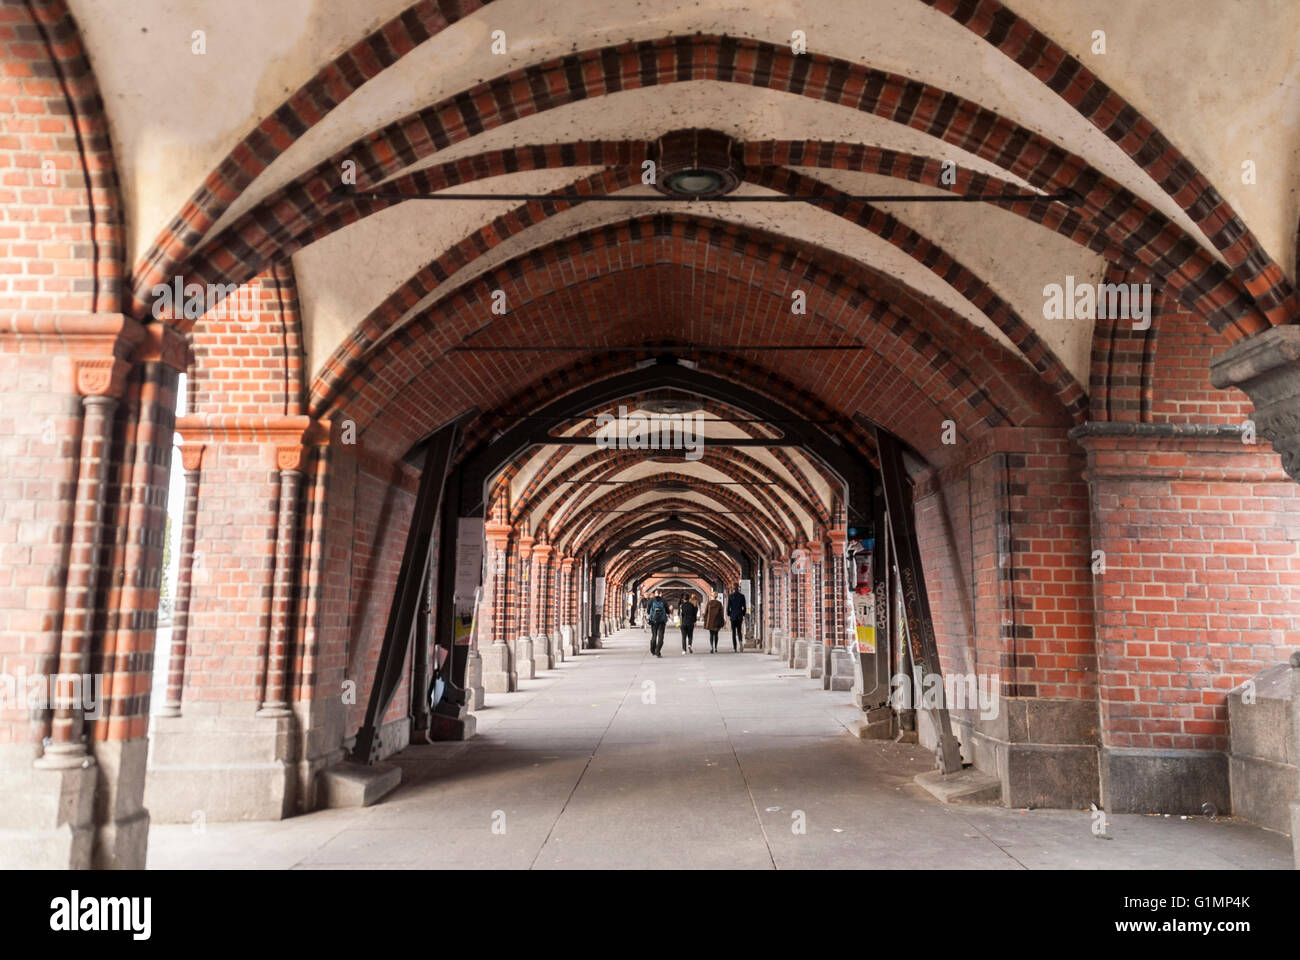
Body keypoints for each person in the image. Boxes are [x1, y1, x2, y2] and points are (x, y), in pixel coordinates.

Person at [645, 590, 668, 657]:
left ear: (655, 594)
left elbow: (648, 611)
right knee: (661, 637)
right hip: (662, 621)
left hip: (653, 621)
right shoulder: (664, 600)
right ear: (661, 593)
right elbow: (668, 611)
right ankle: (658, 652)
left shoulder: (651, 600)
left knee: (654, 635)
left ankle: (652, 650)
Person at [727, 584, 747, 652]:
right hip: (739, 615)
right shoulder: (742, 596)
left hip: (733, 616)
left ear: (733, 588)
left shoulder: (730, 596)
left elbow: (728, 607)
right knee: (739, 631)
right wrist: (743, 614)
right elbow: (744, 607)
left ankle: (735, 648)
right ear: (739, 588)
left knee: (733, 632)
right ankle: (740, 641)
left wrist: (729, 614)